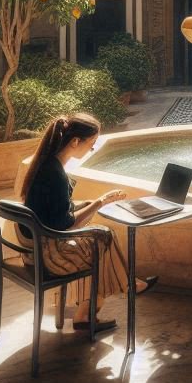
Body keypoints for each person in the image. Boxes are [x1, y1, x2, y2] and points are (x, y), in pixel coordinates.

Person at [19, 112, 157, 334]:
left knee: (98, 239)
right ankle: (125, 288)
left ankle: (98, 306)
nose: (92, 149)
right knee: (102, 237)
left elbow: (56, 209)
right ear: (75, 142)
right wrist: (100, 203)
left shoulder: (46, 166)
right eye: (92, 143)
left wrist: (91, 202)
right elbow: (67, 226)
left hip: (33, 250)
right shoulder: (55, 175)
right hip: (49, 258)